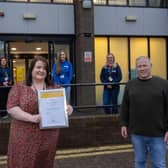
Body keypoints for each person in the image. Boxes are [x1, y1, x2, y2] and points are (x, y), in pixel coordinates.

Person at [6, 56, 73, 168]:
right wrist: (31, 117)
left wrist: (68, 108)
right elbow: (11, 108)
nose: (41, 70)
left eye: (44, 68)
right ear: (31, 69)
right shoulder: (19, 87)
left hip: (48, 137)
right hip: (24, 136)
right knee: (23, 162)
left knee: (44, 162)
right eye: (38, 67)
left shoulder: (54, 88)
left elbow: (63, 105)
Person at [120, 56, 168, 168]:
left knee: (159, 164)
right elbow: (125, 106)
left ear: (151, 66)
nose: (142, 68)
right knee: (139, 163)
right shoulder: (130, 85)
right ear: (136, 68)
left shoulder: (164, 84)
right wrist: (123, 123)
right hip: (137, 134)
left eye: (145, 65)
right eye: (139, 66)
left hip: (158, 135)